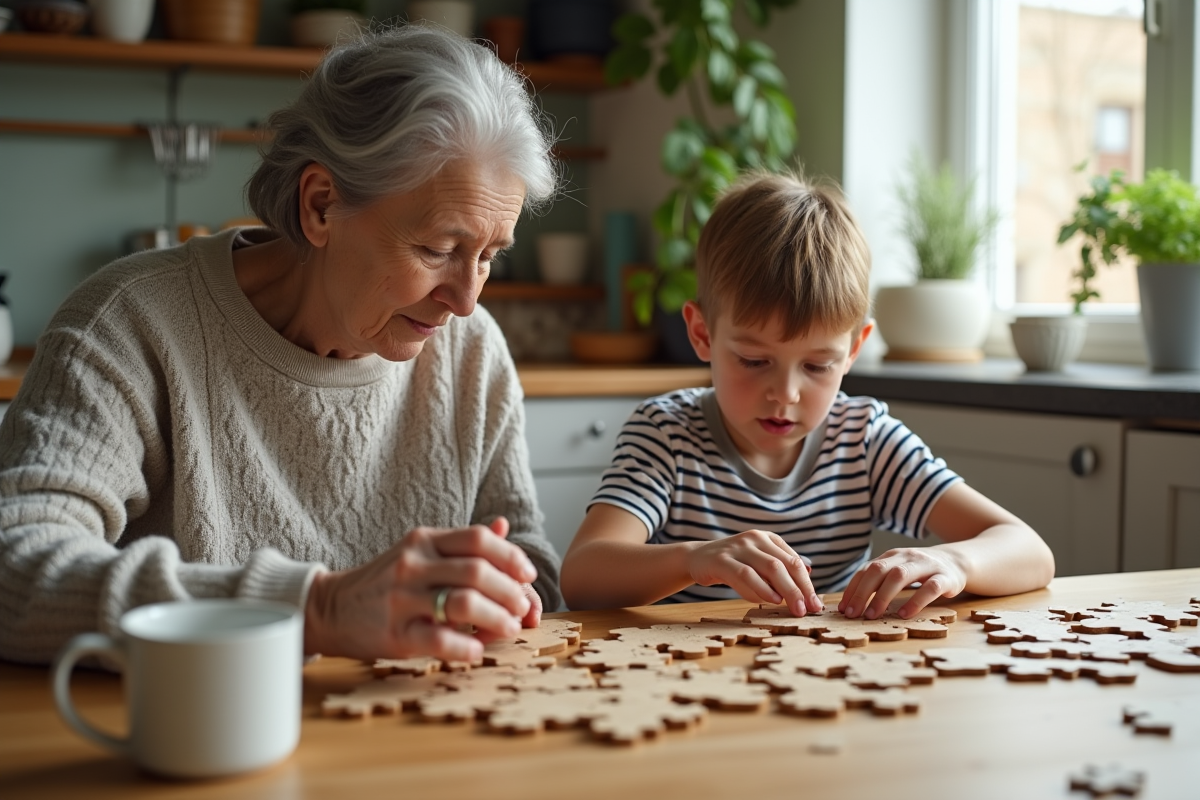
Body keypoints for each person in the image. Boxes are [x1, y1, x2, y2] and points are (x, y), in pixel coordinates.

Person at [0, 25, 563, 666]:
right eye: (438, 249)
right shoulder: (131, 324)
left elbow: (534, 578)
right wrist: (313, 609)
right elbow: (14, 569)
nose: (466, 300)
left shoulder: (473, 353)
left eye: (489, 257)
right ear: (322, 205)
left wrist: (503, 594)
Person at [560, 172, 1055, 619]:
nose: (787, 393)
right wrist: (695, 559)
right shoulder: (666, 435)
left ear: (855, 349)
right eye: (754, 361)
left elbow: (1030, 550)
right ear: (703, 334)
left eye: (818, 366)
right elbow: (582, 575)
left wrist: (954, 560)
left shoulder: (863, 441)